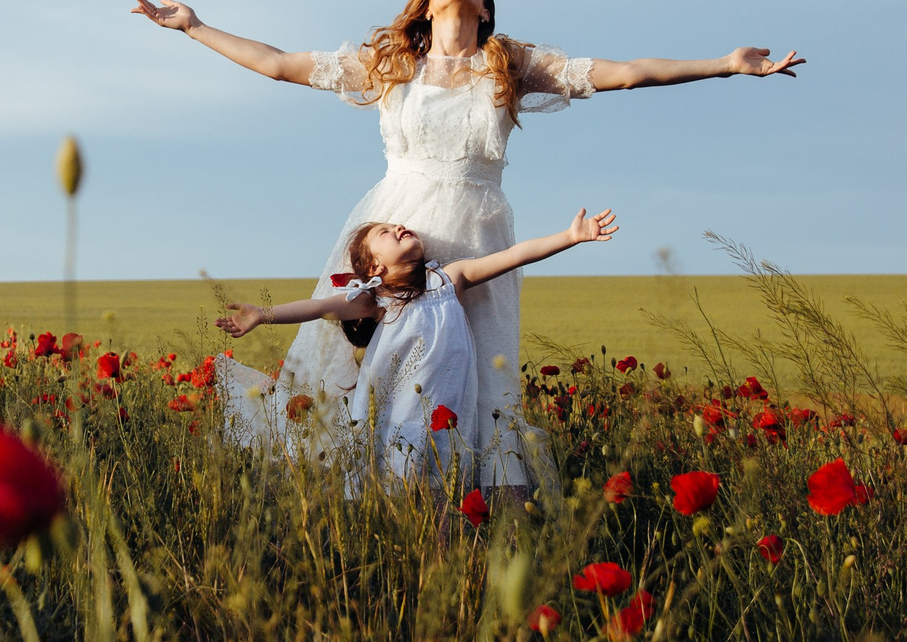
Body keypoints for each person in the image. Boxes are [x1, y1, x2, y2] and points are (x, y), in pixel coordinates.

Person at [131, 0, 801, 488]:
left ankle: (480, 517)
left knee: (480, 381)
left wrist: (724, 65)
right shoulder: (391, 65)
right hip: (391, 235)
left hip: (477, 236)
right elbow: (279, 65)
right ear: (427, 2)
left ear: (484, 8)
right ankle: (370, 501)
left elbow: (624, 73)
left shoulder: (509, 66)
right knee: (366, 374)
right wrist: (194, 26)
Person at [216, 208, 619, 490]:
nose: (399, 226)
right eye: (385, 233)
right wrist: (263, 314)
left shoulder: (450, 279)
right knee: (397, 485)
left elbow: (512, 256)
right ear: (374, 268)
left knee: (445, 488)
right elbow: (319, 307)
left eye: (396, 225)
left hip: (449, 416)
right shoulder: (374, 301)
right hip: (398, 418)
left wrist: (570, 237)